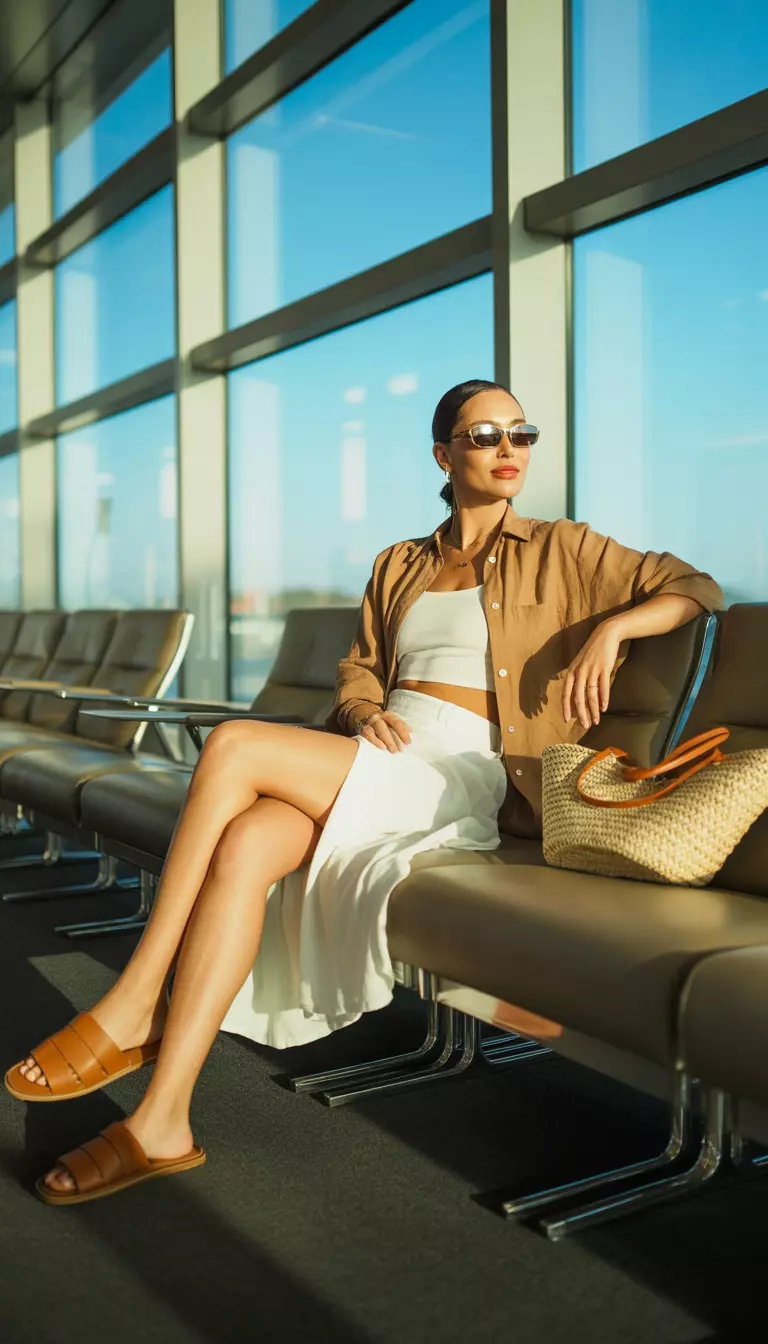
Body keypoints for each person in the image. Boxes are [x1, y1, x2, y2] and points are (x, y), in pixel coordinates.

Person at [5, 379, 723, 1204]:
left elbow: (696, 587)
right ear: (444, 454)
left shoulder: (564, 548)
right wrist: (363, 707)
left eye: (521, 434)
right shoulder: (402, 561)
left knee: (235, 745)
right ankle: (164, 1121)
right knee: (245, 845)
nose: (508, 449)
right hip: (384, 753)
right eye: (485, 435)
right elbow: (360, 668)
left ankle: (135, 997)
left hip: (464, 771)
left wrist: (615, 626)